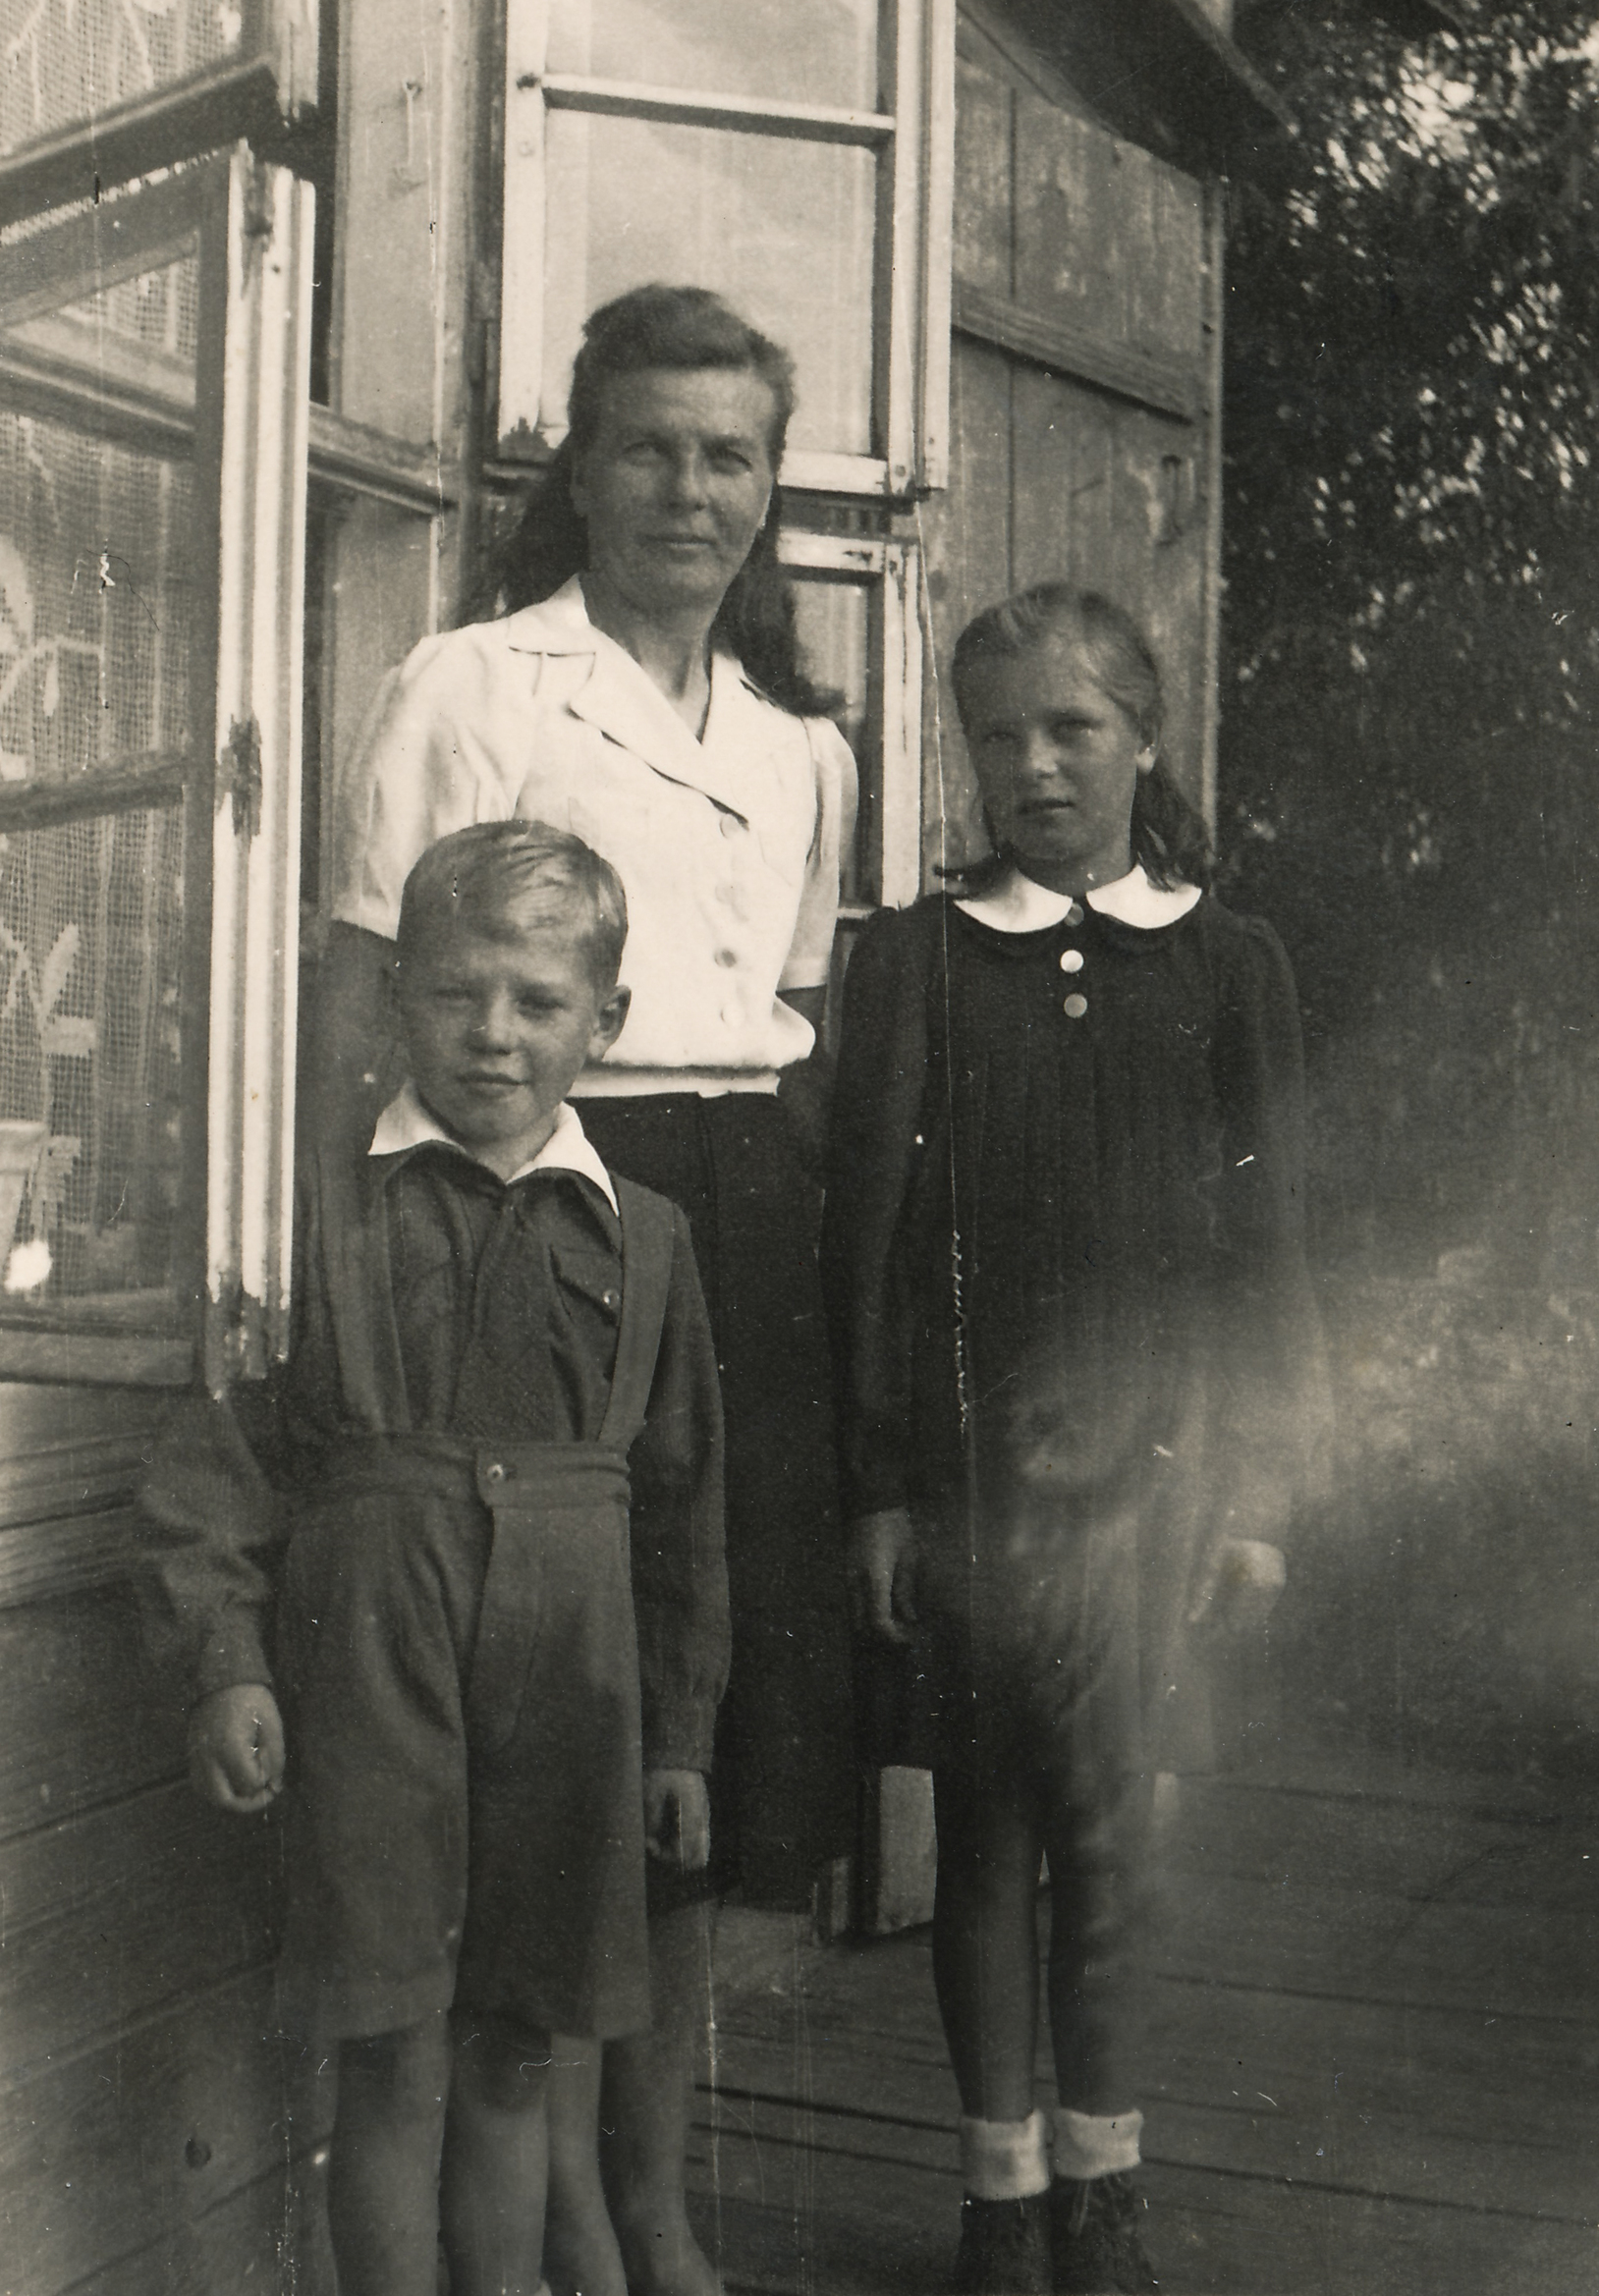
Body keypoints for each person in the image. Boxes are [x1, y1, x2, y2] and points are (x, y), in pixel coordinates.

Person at [311, 284, 857, 2296]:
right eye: (647, 447)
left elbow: (794, 1020)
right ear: (580, 463)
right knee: (535, 1682)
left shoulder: (802, 750)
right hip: (529, 1189)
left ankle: (643, 2199)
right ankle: (545, 2214)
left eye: (730, 456)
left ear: (771, 485)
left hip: (727, 1219)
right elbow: (366, 1001)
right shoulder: (474, 682)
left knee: (685, 1698)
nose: (688, 491)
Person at [138, 821, 730, 2296]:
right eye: (458, 992)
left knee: (518, 2050)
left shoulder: (646, 1239)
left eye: (539, 1001)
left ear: (608, 1021)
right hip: (369, 1672)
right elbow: (216, 1464)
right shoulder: (314, 1209)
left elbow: (681, 1514)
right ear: (399, 993)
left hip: (575, 1693)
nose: (494, 1034)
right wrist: (227, 1664)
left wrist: (680, 1737)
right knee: (393, 2053)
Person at [823, 584, 1328, 2296]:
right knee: (985, 1837)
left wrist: (1261, 1491)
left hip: (1162, 1479)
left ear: (1143, 736)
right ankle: (1000, 2197)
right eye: (999, 736)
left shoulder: (1227, 962)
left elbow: (1272, 1249)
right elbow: (871, 1249)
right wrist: (881, 1489)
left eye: (1073, 729)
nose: (1034, 766)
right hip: (974, 1476)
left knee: (1114, 1834)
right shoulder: (917, 960)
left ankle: (1105, 2191)